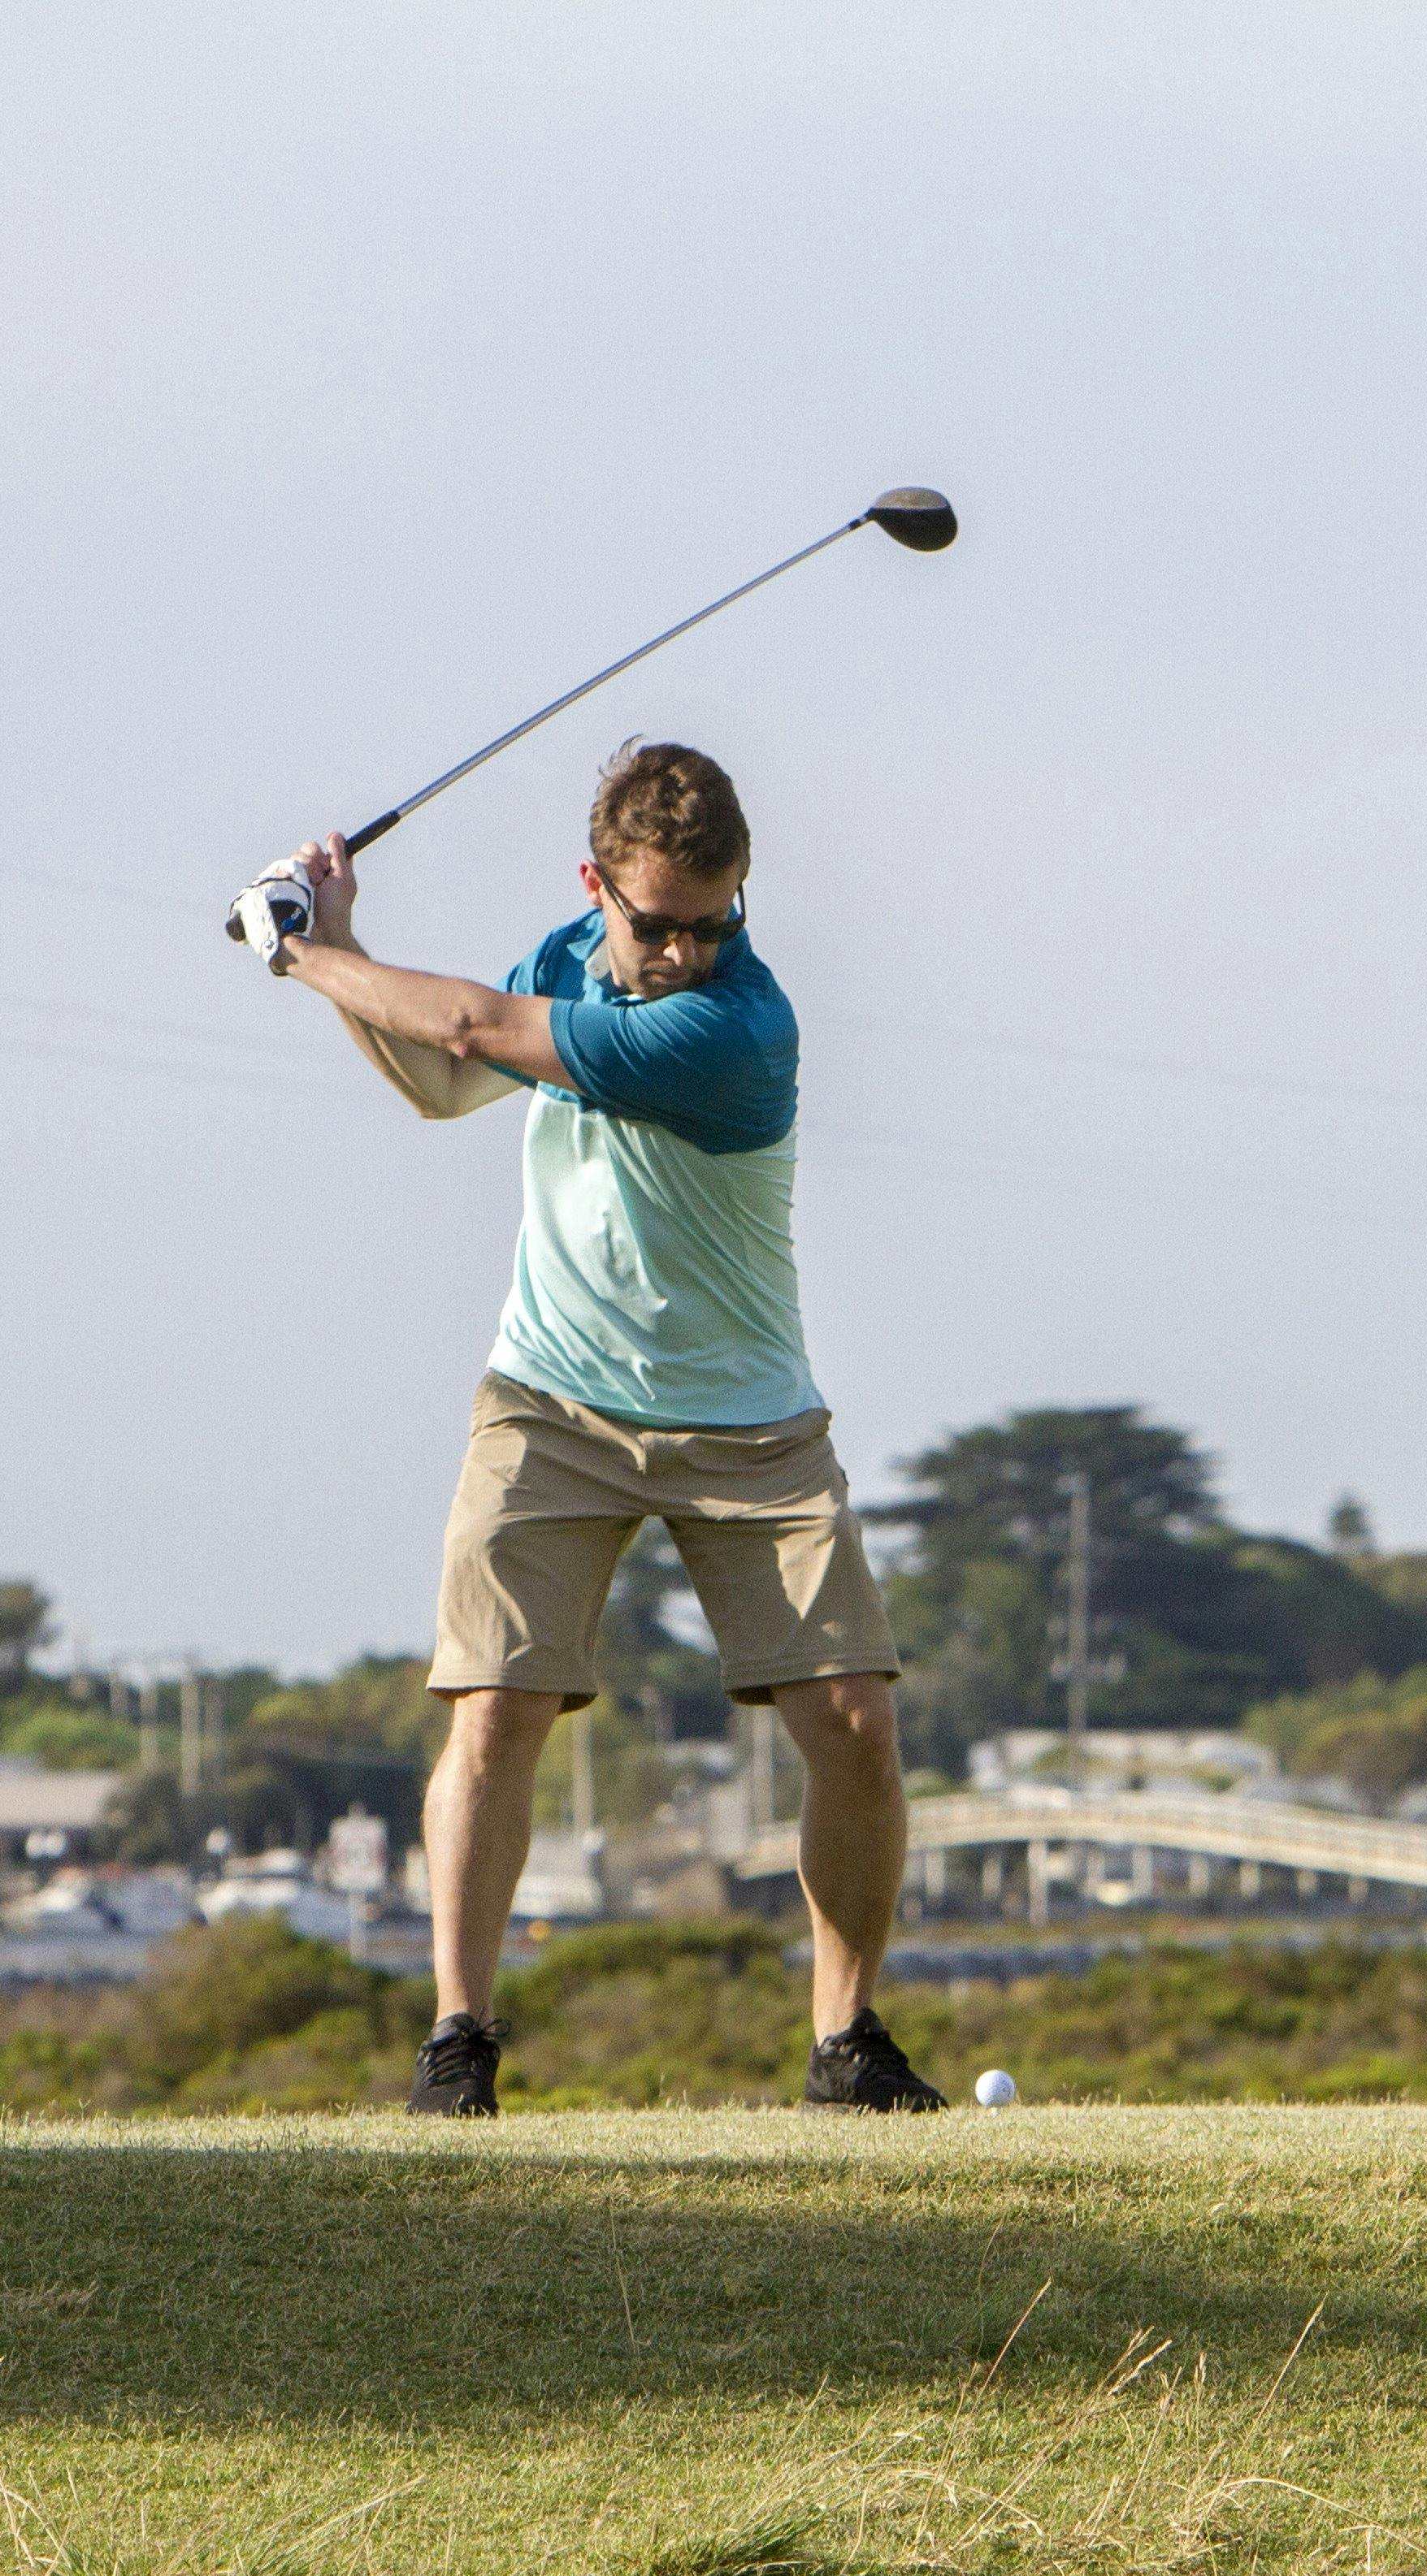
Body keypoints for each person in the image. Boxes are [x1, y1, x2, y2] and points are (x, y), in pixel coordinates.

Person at [238, 739, 940, 2117]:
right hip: (549, 1397)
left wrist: (304, 952)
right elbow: (443, 1083)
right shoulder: (567, 958)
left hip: (747, 1419)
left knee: (855, 1720)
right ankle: (458, 2040)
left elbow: (467, 1032)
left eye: (713, 920)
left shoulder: (734, 1025)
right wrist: (344, 950)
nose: (685, 951)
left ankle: (845, 2043)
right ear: (594, 886)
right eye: (658, 923)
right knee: (493, 1711)